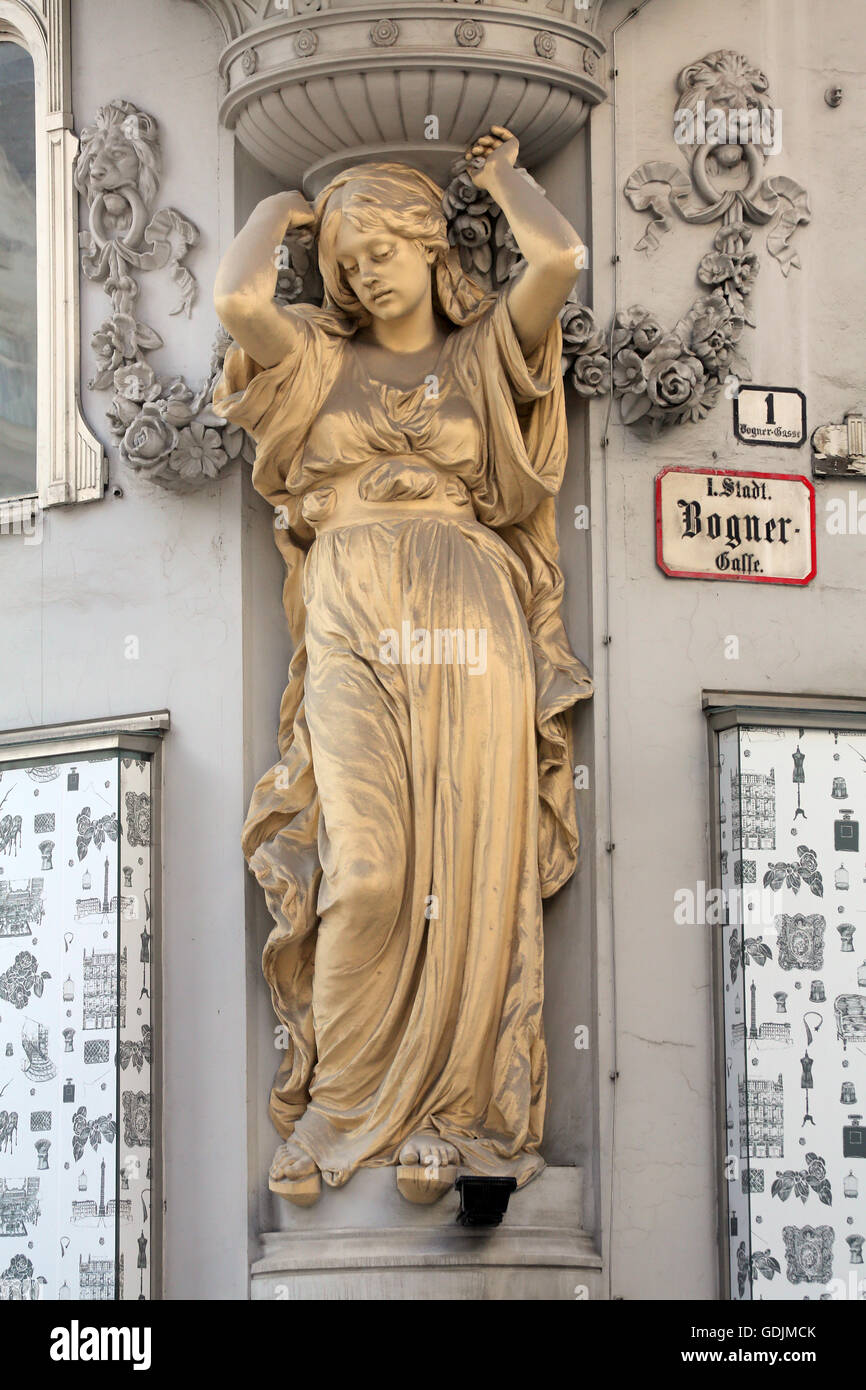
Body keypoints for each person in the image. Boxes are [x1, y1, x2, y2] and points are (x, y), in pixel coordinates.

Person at [213, 127, 593, 1205]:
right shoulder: (318, 362)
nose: (361, 270)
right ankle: (337, 1108)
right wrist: (283, 211)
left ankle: (453, 1118)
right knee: (370, 869)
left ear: (432, 244)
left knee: (469, 872)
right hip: (349, 607)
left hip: (469, 614)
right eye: (344, 260)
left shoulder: (481, 358)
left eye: (379, 245)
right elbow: (241, 304)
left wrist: (498, 178)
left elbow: (556, 263)